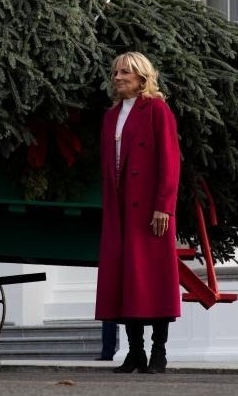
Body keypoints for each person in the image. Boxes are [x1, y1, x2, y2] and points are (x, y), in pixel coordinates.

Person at [94, 51, 181, 374]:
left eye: (125, 72)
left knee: (153, 281)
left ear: (142, 77)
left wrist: (164, 207)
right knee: (124, 281)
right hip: (120, 210)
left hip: (150, 211)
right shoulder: (111, 115)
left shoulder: (157, 110)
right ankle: (135, 352)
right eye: (115, 72)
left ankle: (159, 352)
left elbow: (170, 161)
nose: (117, 77)